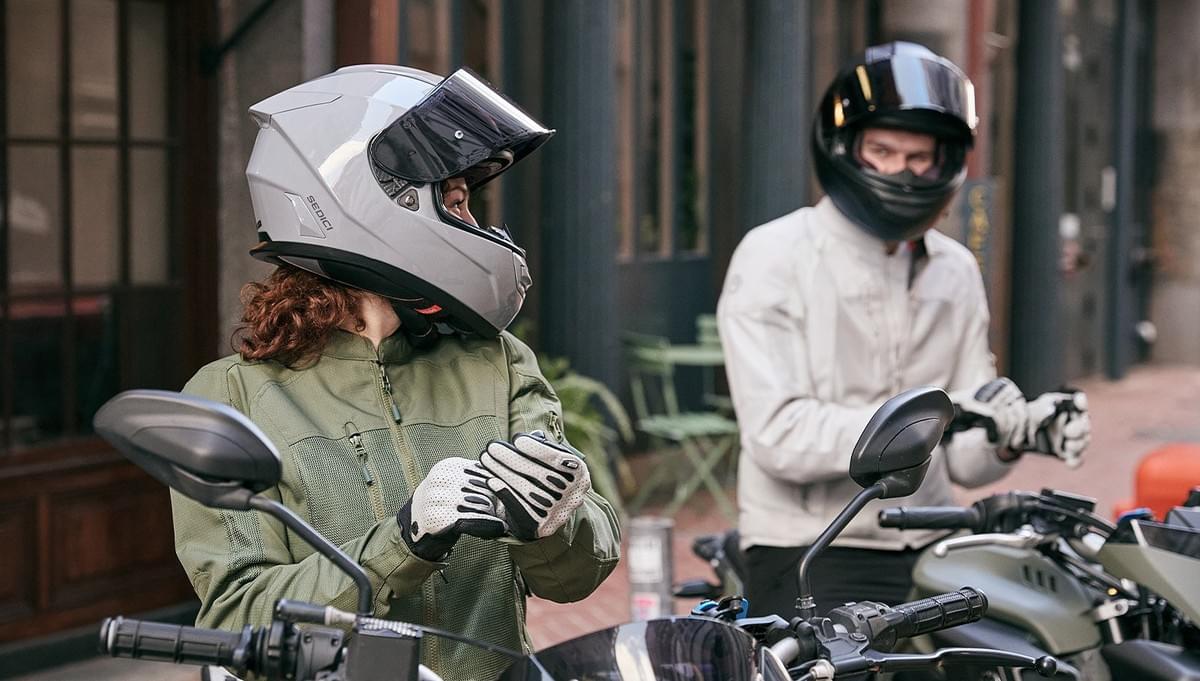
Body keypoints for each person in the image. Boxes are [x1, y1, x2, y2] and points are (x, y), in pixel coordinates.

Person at [171, 65, 621, 681]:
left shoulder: (497, 362)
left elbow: (574, 580)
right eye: (456, 202)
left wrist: (556, 523)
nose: (474, 225)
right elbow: (237, 623)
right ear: (369, 202)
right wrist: (405, 539)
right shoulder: (232, 397)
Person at [716, 42, 1091, 617]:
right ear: (846, 147)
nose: (901, 170)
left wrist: (1013, 432)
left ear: (946, 162)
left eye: (919, 157)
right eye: (882, 151)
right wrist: (948, 414)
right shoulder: (774, 255)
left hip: (932, 533)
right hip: (812, 543)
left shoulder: (956, 270)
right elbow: (778, 437)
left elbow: (965, 465)